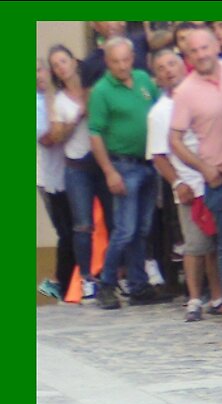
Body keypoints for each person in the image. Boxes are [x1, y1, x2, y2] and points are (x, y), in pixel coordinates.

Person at [167, 28, 222, 329]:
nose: (202, 54)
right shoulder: (185, 91)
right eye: (195, 50)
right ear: (187, 55)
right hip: (219, 176)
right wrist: (204, 168)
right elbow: (174, 141)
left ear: (217, 45)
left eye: (206, 47)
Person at [147, 47, 222, 323]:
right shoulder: (159, 113)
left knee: (215, 244)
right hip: (189, 186)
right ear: (157, 77)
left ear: (184, 65)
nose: (168, 70)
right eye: (161, 68)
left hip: (215, 180)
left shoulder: (204, 94)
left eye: (172, 64)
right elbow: (159, 155)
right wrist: (177, 182)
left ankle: (218, 296)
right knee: (195, 245)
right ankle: (194, 299)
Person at [87, 37, 161, 310]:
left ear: (132, 58)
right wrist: (108, 171)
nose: (122, 66)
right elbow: (94, 133)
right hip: (122, 165)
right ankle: (106, 284)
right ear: (107, 61)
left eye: (126, 60)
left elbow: (160, 110)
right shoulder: (101, 91)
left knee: (141, 230)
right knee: (125, 230)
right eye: (115, 61)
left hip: (148, 163)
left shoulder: (143, 79)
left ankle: (138, 285)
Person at [48, 45, 111, 303]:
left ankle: (115, 275)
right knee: (82, 225)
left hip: (101, 161)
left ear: (74, 61)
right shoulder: (60, 101)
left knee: (114, 219)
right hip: (76, 167)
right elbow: (57, 136)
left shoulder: (95, 89)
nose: (61, 67)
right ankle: (86, 278)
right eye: (56, 65)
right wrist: (77, 117)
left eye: (64, 61)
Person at [37, 58, 73, 302]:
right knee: (66, 231)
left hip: (75, 174)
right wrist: (75, 120)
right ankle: (63, 282)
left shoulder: (63, 96)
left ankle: (68, 281)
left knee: (77, 229)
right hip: (50, 178)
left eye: (39, 69)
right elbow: (48, 138)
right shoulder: (37, 103)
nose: (38, 75)